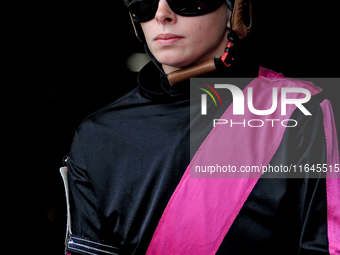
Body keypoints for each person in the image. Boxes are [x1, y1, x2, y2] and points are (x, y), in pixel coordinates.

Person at [61, 0, 340, 254]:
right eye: (145, 0)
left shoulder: (303, 110)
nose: (161, 14)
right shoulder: (97, 135)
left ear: (236, 9)